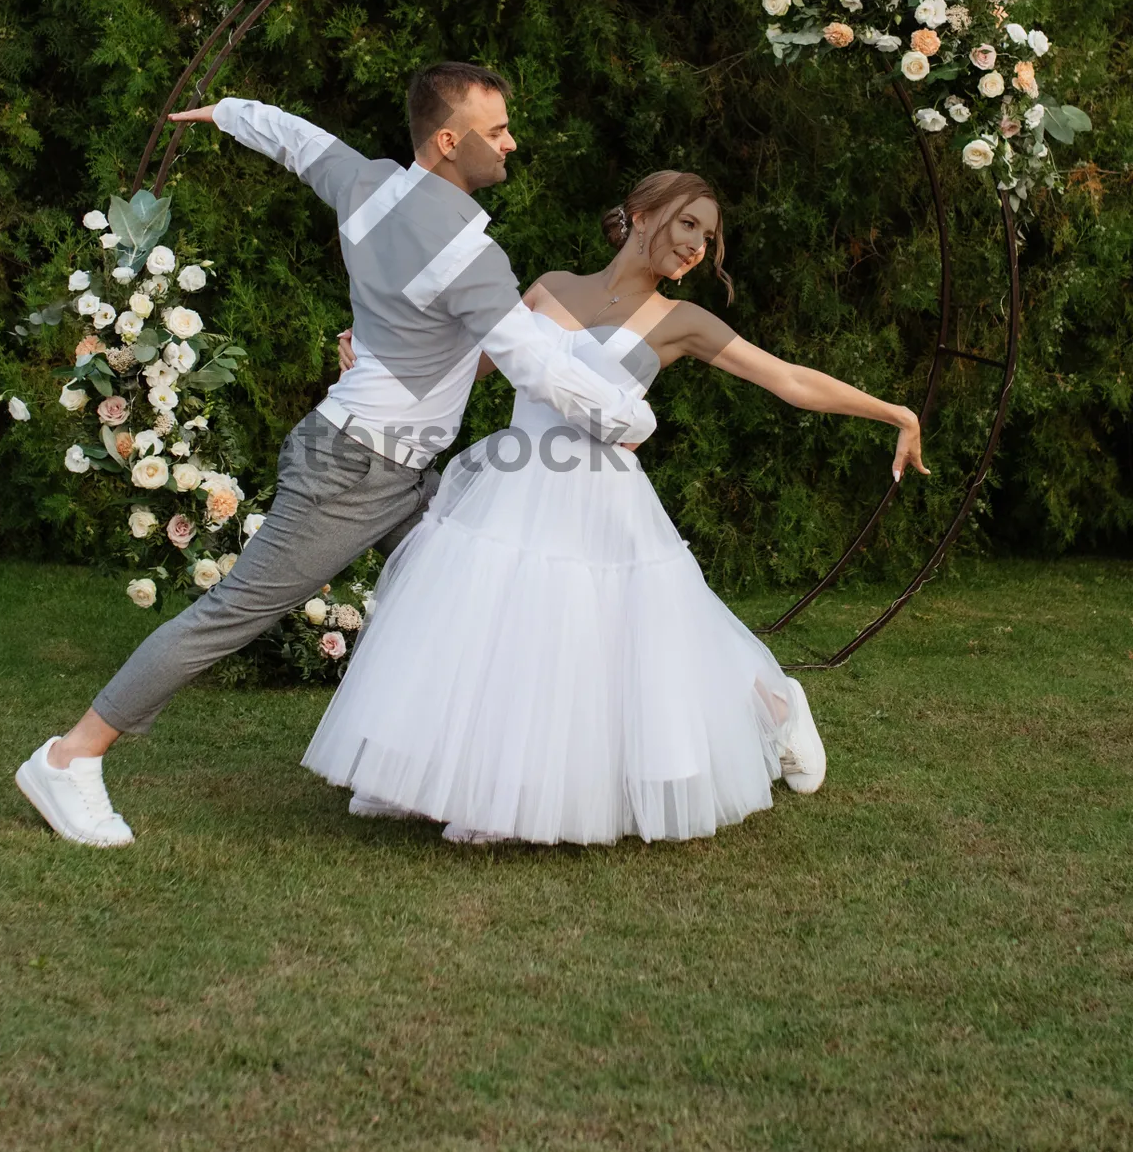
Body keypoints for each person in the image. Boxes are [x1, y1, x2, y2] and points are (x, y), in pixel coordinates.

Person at [15, 63, 660, 848]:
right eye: (498, 132)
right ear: (449, 141)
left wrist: (226, 110)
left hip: (390, 465)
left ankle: (409, 776)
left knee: (461, 599)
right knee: (235, 612)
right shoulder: (463, 254)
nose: (512, 143)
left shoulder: (370, 184)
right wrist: (626, 412)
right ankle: (69, 756)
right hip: (353, 470)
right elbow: (532, 361)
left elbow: (294, 138)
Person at [303, 172, 929, 845]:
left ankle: (774, 704)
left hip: (601, 493)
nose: (698, 245)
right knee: (499, 632)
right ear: (640, 213)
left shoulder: (681, 322)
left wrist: (894, 411)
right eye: (689, 224)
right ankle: (463, 776)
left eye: (709, 236)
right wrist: (374, 357)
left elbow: (788, 378)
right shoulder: (550, 286)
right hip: (511, 484)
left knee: (636, 632)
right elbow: (463, 364)